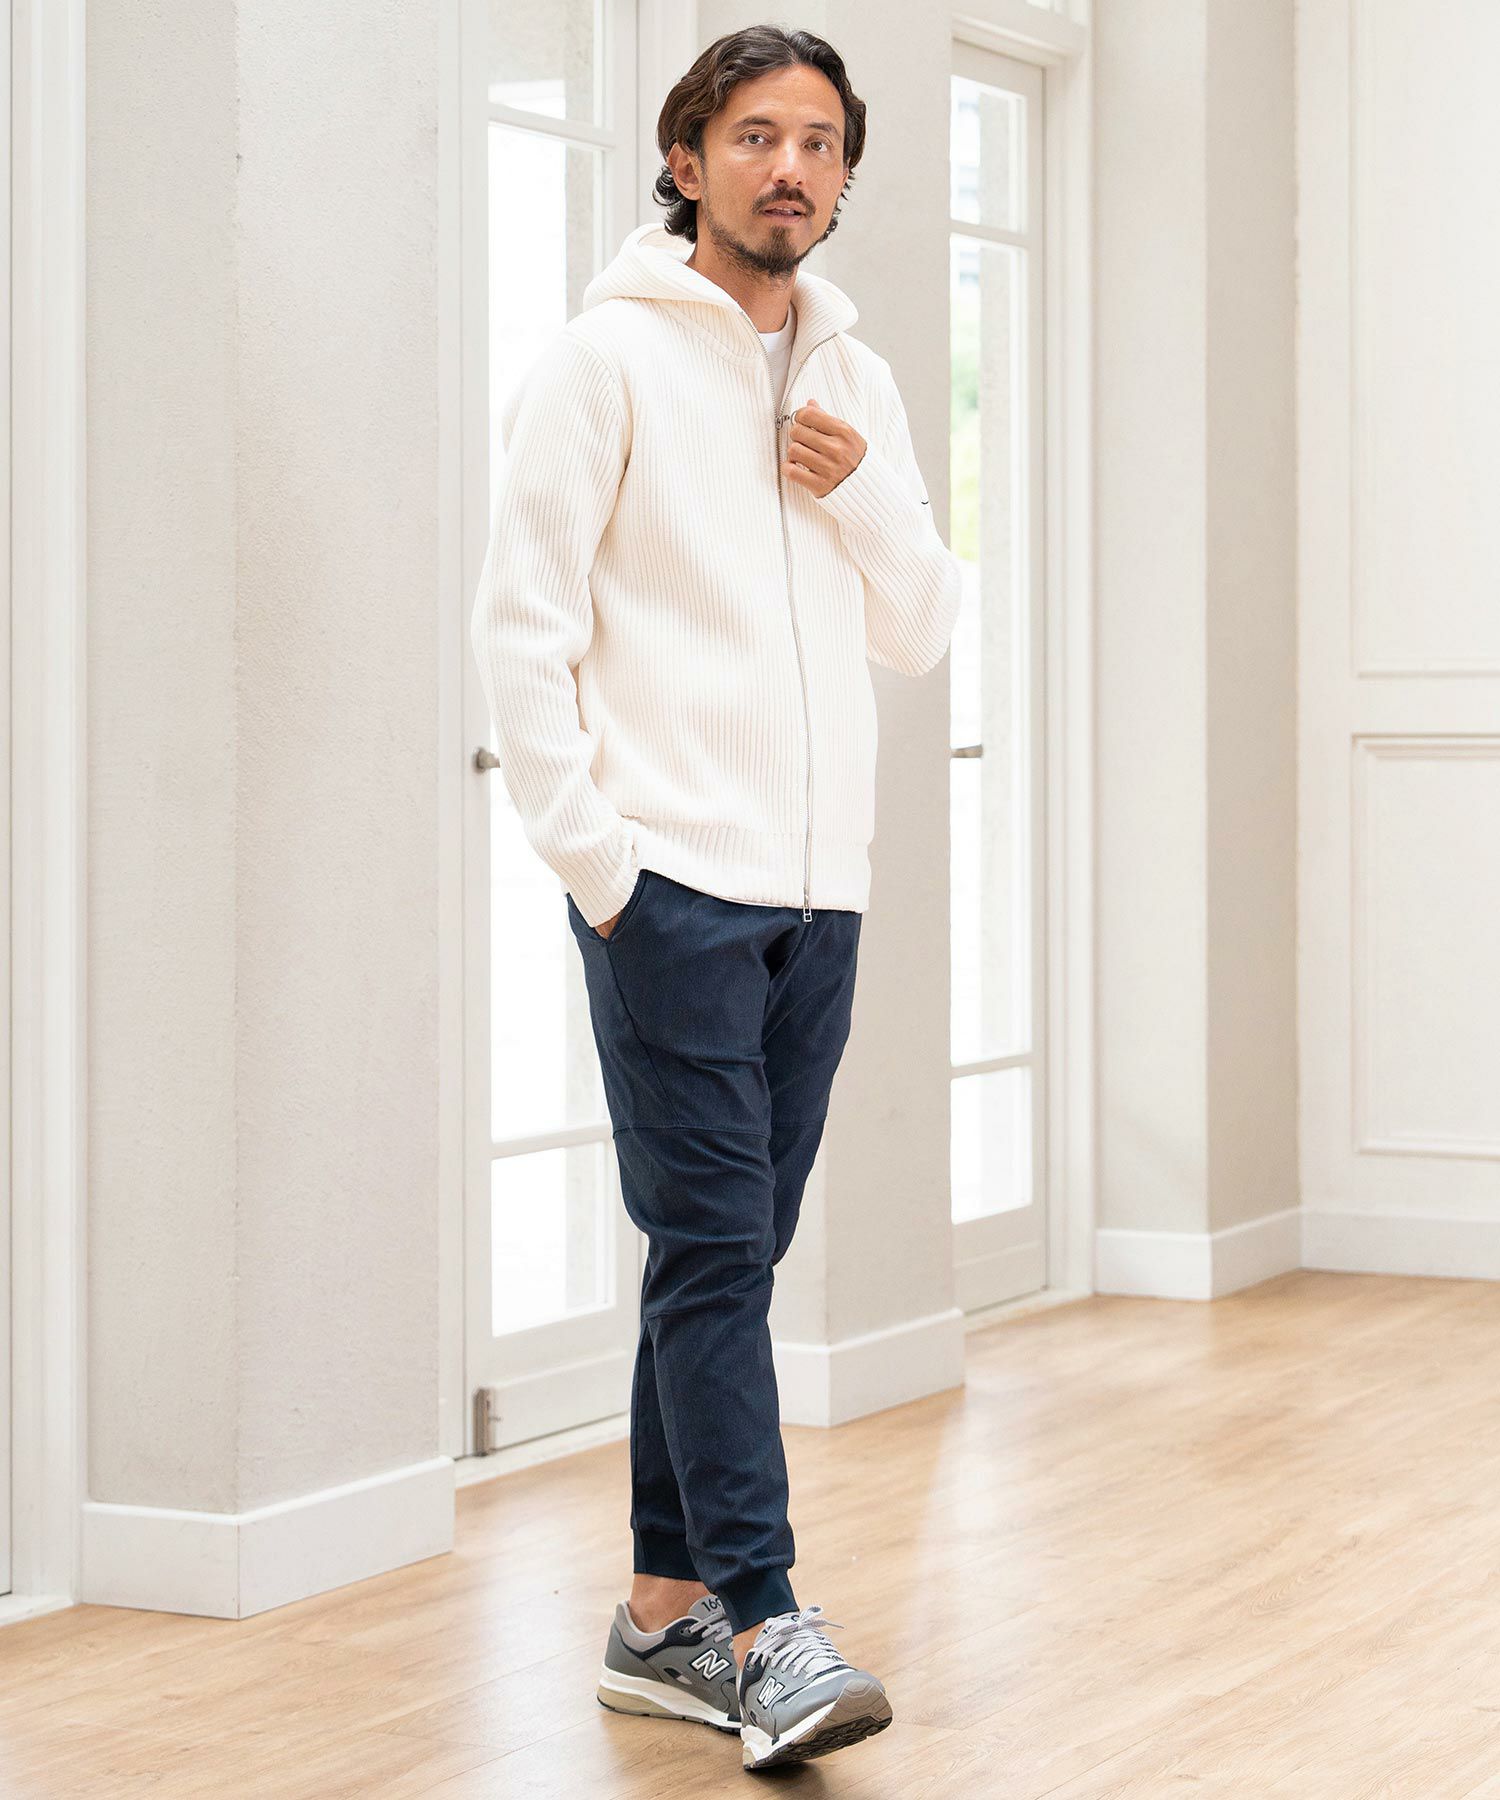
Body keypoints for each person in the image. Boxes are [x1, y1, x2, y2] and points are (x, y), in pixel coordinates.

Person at [470, 23, 962, 1773]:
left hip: (820, 898)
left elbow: (923, 625)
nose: (789, 168)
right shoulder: (600, 363)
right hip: (669, 886)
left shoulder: (859, 379)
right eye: (754, 136)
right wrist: (604, 871)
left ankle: (659, 1615)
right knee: (711, 1252)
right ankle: (765, 1623)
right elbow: (521, 635)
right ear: (686, 162)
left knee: (725, 1260)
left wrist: (864, 489)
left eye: (818, 142)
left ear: (844, 176)